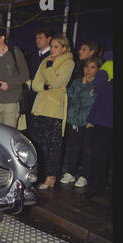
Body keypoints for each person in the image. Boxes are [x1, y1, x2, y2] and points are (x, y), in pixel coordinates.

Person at [31, 34, 75, 190]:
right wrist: (46, 86)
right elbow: (35, 84)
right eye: (52, 46)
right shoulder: (45, 61)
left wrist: (49, 70)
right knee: (39, 143)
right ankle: (40, 174)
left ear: (64, 48)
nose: (53, 49)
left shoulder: (68, 63)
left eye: (56, 47)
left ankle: (51, 177)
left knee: (52, 145)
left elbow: (57, 82)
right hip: (40, 106)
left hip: (54, 108)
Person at [60, 57, 102, 188]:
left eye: (92, 67)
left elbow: (92, 103)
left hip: (88, 122)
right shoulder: (77, 82)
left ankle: (85, 175)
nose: (88, 70)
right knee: (73, 147)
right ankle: (71, 172)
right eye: (86, 67)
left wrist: (93, 119)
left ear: (98, 69)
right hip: (74, 120)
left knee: (87, 150)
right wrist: (81, 86)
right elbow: (71, 98)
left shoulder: (98, 85)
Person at [0, 28, 29, 128]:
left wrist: (9, 84)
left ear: (2, 39)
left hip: (11, 103)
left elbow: (25, 74)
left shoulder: (15, 52)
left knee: (8, 135)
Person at [80, 69, 113, 199]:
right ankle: (97, 186)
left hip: (105, 123)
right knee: (98, 157)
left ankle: (97, 186)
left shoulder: (105, 78)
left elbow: (100, 85)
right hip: (103, 123)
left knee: (99, 156)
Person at [26, 28, 54, 137]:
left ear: (49, 39)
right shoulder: (33, 56)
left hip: (43, 95)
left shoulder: (51, 58)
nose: (37, 40)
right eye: (36, 38)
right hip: (31, 94)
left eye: (40, 38)